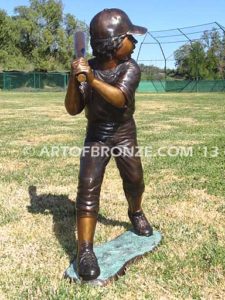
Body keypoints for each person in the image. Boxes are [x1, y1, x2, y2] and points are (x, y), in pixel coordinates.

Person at [65, 8, 153, 281]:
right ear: (113, 44)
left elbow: (119, 99)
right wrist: (75, 79)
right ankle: (85, 250)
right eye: (129, 37)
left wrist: (91, 79)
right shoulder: (87, 68)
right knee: (88, 186)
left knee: (135, 178)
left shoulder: (130, 67)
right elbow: (73, 109)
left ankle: (135, 211)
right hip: (96, 134)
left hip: (124, 131)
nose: (134, 43)